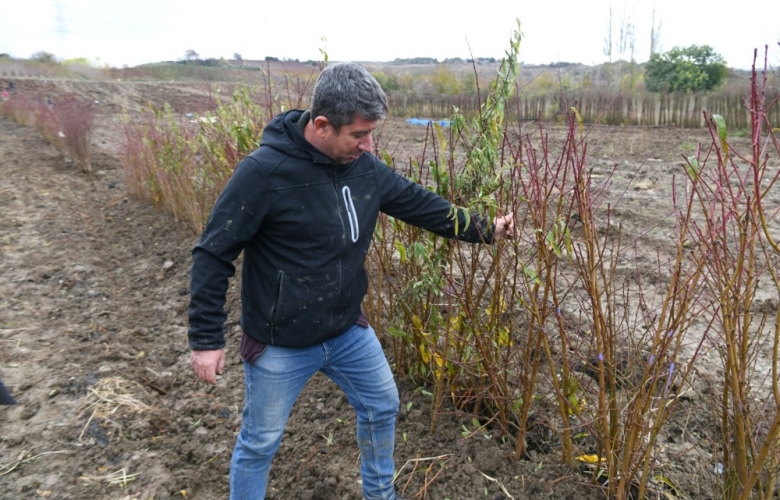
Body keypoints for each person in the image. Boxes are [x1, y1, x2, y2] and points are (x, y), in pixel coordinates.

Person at [188, 62, 515, 500]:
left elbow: (421, 204)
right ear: (322, 125)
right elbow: (213, 252)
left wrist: (482, 229)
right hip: (279, 343)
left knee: (383, 406)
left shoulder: (365, 168)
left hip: (346, 332)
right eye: (359, 134)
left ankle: (381, 495)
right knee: (260, 442)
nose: (369, 143)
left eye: (371, 132)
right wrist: (206, 339)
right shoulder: (263, 174)